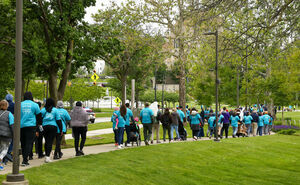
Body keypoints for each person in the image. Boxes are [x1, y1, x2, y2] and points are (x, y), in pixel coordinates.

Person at [20, 92, 42, 166]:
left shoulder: (20, 104)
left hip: (21, 126)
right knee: (29, 143)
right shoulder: (35, 105)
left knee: (23, 143)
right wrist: (39, 125)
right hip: (31, 126)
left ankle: (24, 157)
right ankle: (25, 160)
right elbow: (39, 116)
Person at [41, 98, 62, 163]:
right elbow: (58, 120)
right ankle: (47, 157)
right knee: (50, 142)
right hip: (53, 127)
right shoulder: (55, 110)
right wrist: (60, 129)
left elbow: (39, 119)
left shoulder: (43, 110)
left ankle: (46, 154)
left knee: (46, 141)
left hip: (44, 127)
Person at [0, 100, 14, 170]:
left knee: (0, 149)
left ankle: (0, 166)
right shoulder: (9, 114)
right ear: (7, 106)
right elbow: (12, 125)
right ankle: (0, 158)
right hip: (6, 135)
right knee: (5, 149)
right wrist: (14, 134)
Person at [2, 94, 14, 164]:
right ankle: (7, 158)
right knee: (8, 146)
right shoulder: (13, 106)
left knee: (2, 147)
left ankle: (4, 159)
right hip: (8, 130)